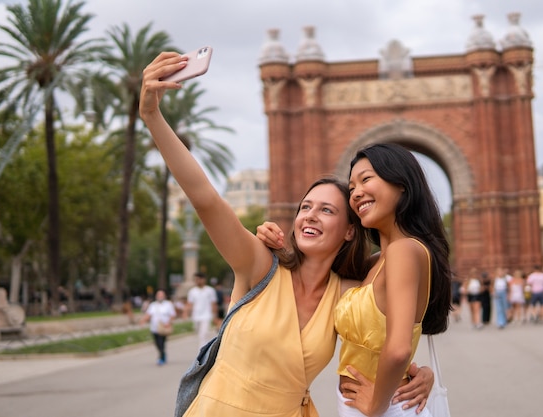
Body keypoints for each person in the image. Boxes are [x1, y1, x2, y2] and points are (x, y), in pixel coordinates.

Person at [139, 52, 432, 417]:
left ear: (348, 231)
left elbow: (385, 331)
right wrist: (151, 116)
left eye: (327, 210)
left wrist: (419, 375)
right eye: (305, 207)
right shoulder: (260, 265)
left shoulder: (347, 293)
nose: (310, 215)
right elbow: (206, 199)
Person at [261, 144, 452, 416]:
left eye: (366, 179)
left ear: (402, 184)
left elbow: (398, 349)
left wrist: (375, 408)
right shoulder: (376, 262)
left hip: (383, 408)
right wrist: (277, 246)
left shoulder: (404, 250)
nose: (357, 193)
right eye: (352, 189)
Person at [140, 289, 176, 366]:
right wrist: (143, 320)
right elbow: (148, 315)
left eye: (161, 295)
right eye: (158, 295)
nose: (160, 296)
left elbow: (172, 315)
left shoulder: (168, 304)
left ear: (164, 296)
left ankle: (161, 358)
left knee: (161, 343)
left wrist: (168, 323)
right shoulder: (153, 305)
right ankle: (162, 354)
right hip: (154, 327)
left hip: (164, 327)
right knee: (157, 343)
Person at [186, 272, 217, 349]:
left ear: (203, 280)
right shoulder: (192, 291)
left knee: (203, 334)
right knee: (199, 333)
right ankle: (204, 348)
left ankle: (202, 351)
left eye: (199, 279)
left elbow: (213, 303)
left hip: (206, 315)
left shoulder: (210, 290)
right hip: (196, 315)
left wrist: (215, 316)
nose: (197, 281)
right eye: (195, 279)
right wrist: (186, 313)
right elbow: (190, 303)